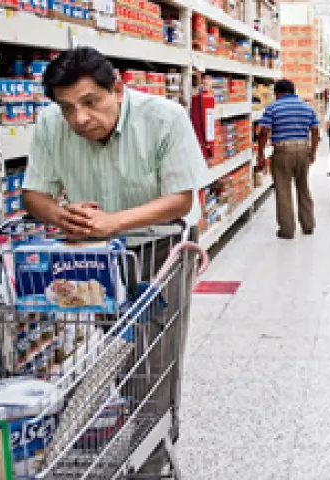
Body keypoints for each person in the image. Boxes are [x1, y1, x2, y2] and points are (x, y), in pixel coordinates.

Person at [21, 46, 210, 473]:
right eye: (68, 108)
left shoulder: (164, 118)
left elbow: (181, 198)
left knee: (156, 355)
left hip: (160, 246)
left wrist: (114, 222)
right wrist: (58, 213)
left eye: (90, 103)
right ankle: (137, 425)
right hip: (94, 254)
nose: (79, 119)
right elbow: (33, 193)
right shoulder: (51, 124)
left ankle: (153, 457)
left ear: (118, 89)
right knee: (119, 352)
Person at [257, 79, 320, 239]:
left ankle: (287, 230)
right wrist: (312, 152)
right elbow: (315, 131)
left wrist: (260, 154)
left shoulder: (273, 107)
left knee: (283, 190)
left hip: (283, 151)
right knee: (303, 187)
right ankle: (308, 225)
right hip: (303, 149)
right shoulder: (307, 107)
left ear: (277, 93)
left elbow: (264, 131)